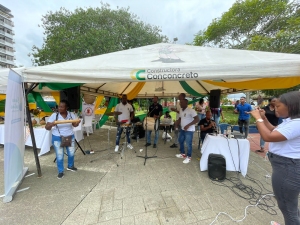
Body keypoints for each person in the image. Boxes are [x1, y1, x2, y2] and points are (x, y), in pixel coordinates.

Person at [250, 91, 300, 225]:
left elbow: (268, 137)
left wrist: (258, 119)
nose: (275, 109)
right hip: (286, 166)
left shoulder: (297, 124)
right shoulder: (290, 121)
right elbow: (273, 130)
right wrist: (264, 118)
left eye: (278, 106)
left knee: (286, 206)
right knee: (290, 205)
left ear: (291, 106)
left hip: (288, 168)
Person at [45, 100, 81, 179]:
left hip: (69, 137)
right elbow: (47, 127)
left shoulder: (71, 115)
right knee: (60, 155)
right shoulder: (54, 115)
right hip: (57, 137)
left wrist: (78, 122)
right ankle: (60, 171)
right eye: (59, 106)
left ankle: (70, 166)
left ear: (66, 108)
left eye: (62, 107)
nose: (59, 108)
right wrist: (52, 123)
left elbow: (75, 125)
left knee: (71, 153)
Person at [175, 99, 199, 163]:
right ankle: (182, 154)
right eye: (180, 102)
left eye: (181, 102)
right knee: (180, 140)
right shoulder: (181, 110)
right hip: (182, 129)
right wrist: (176, 124)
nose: (180, 104)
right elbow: (180, 118)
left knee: (188, 143)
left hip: (189, 130)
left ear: (186, 103)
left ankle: (189, 157)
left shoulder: (191, 110)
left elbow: (197, 119)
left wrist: (188, 125)